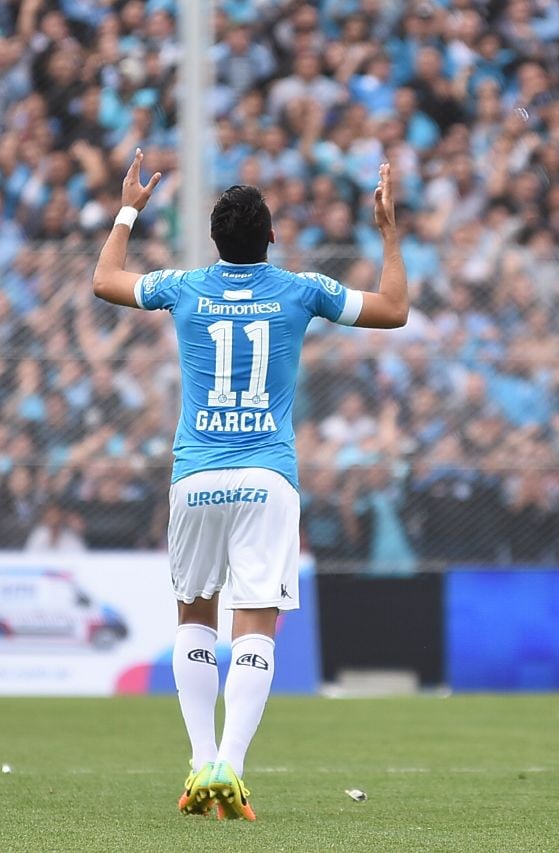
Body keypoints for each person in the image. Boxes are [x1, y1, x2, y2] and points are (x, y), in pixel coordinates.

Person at [91, 150, 408, 820]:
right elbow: (394, 309)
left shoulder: (183, 287)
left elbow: (105, 280)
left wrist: (128, 209)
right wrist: (386, 231)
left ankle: (201, 758)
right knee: (256, 622)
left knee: (194, 616)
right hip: (267, 475)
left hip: (197, 474)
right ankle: (230, 766)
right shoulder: (303, 289)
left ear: (214, 239)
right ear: (270, 237)